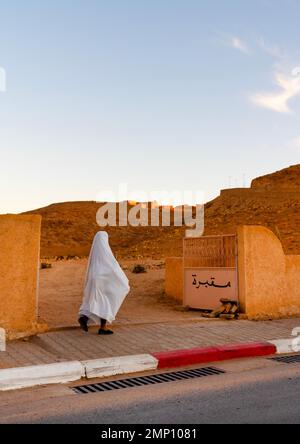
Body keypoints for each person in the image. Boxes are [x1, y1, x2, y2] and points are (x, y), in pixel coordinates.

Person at [78, 231, 130, 335]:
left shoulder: (95, 255)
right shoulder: (106, 252)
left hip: (94, 280)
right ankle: (102, 327)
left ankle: (84, 317)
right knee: (108, 302)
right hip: (105, 279)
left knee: (95, 301)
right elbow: (114, 267)